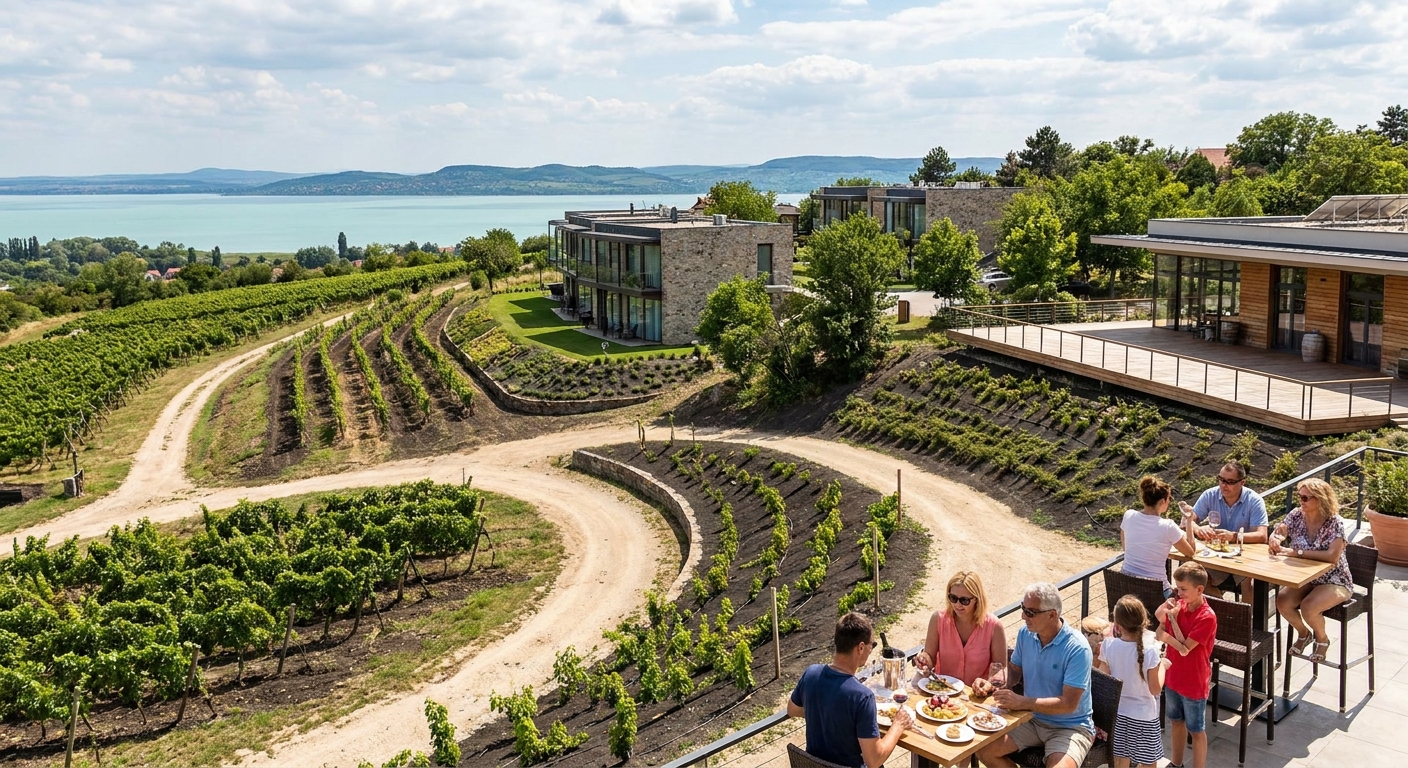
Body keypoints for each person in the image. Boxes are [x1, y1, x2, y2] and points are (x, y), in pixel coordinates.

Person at [976, 583, 1094, 768]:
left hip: (1069, 727)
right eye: (1023, 609)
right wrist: (994, 682)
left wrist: (1023, 702)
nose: (1023, 616)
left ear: (1052, 615)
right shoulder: (1026, 634)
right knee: (983, 749)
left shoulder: (1077, 648)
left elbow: (1069, 704)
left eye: (1030, 612)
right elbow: (1014, 670)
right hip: (1031, 719)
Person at [786, 612, 910, 768]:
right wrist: (898, 725)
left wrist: (828, 716)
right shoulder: (862, 697)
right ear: (861, 647)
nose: (871, 649)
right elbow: (874, 760)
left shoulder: (811, 674)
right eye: (872, 644)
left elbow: (792, 709)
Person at [1271, 478, 1354, 663]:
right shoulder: (1296, 515)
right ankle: (1303, 633)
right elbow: (1282, 529)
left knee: (1309, 606)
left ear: (1320, 499)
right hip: (1306, 577)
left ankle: (1322, 639)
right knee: (1283, 601)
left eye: (1306, 498)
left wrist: (1296, 552)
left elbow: (1332, 556)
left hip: (1335, 579)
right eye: (1300, 496)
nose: (1301, 501)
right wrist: (1276, 537)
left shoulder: (1335, 522)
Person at [1156, 562, 1217, 768]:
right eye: (1177, 588)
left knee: (1196, 730)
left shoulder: (1207, 617)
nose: (1178, 593)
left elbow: (1186, 647)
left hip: (1194, 681)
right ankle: (1176, 763)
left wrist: (1168, 633)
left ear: (1199, 589)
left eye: (1183, 589)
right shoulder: (1179, 605)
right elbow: (1159, 630)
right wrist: (1167, 628)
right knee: (1175, 721)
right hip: (1173, 676)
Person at [1097, 595, 1168, 768]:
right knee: (1148, 762)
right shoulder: (1150, 652)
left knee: (1121, 760)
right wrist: (1163, 667)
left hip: (1118, 715)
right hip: (1144, 716)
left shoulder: (1108, 646)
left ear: (1118, 625)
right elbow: (1155, 689)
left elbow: (1103, 681)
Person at [1182, 461, 1269, 596]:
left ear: (1242, 482)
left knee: (1249, 582)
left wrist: (1233, 536)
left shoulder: (1254, 501)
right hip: (1215, 555)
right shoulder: (1210, 495)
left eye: (1230, 482)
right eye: (1221, 480)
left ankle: (1247, 617)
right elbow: (1186, 520)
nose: (1224, 485)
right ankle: (1225, 612)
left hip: (1244, 557)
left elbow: (1262, 536)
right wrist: (1198, 529)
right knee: (1194, 575)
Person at [913, 571, 1007, 688]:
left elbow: (1000, 669)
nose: (958, 605)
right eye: (953, 598)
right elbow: (930, 659)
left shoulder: (994, 626)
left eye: (964, 600)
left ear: (977, 599)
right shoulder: (938, 619)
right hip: (943, 691)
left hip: (977, 696)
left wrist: (988, 685)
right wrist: (924, 660)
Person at [1122, 476, 1198, 596]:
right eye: (1169, 499)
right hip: (1156, 592)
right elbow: (1190, 552)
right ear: (1163, 501)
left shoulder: (1128, 515)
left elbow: (1125, 547)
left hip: (1126, 587)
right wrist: (1189, 520)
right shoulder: (1168, 526)